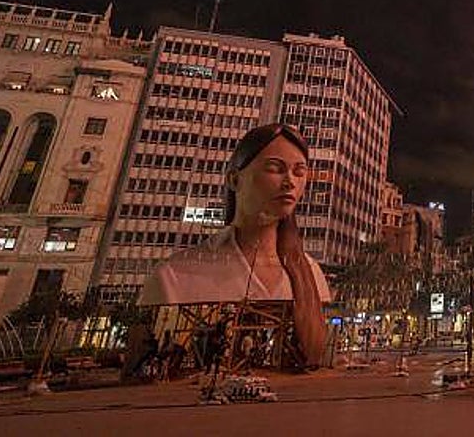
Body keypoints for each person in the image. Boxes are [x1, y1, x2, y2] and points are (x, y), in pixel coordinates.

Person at [139, 123, 331, 367]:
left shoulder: (311, 273)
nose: (290, 182)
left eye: (299, 172)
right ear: (233, 179)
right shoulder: (173, 277)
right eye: (275, 169)